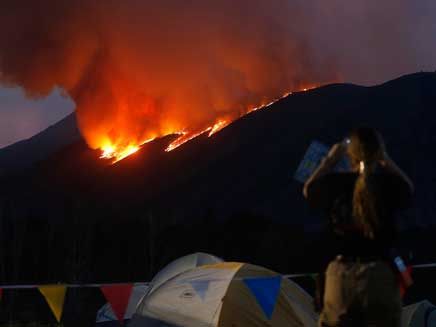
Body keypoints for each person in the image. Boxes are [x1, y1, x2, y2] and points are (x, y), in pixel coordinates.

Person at [303, 128, 414, 327]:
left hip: (340, 276)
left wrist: (329, 160)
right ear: (377, 153)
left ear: (350, 155)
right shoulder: (386, 184)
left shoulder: (336, 184)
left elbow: (308, 190)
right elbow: (408, 189)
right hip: (379, 275)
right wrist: (385, 160)